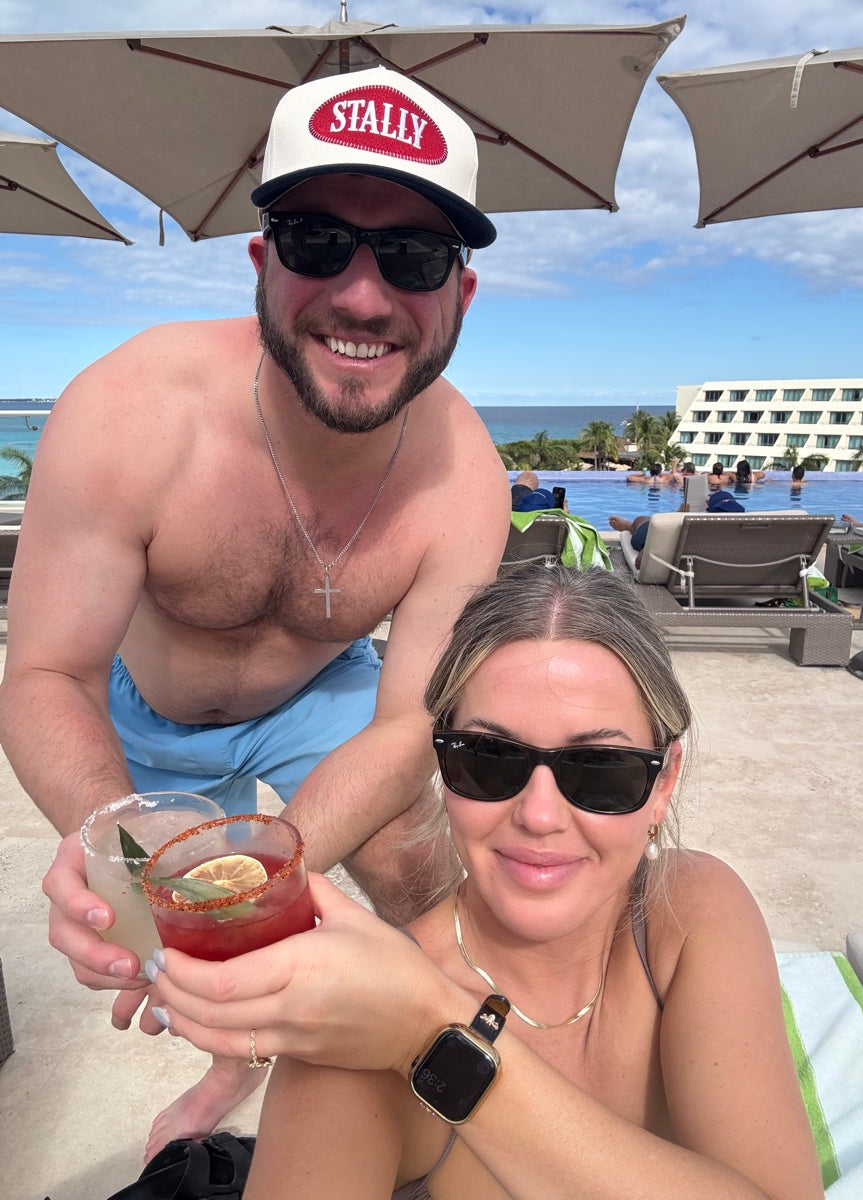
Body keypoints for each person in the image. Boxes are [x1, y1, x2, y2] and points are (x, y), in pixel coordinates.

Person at [0, 66, 511, 1158]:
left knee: (423, 864)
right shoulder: (128, 413)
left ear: (460, 296)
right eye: (318, 242)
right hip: (151, 698)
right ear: (262, 264)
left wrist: (273, 874)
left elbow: (410, 722)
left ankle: (427, 1067)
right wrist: (117, 830)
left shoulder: (466, 475)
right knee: (171, 948)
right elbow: (47, 674)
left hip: (325, 688)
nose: (364, 298)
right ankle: (235, 1059)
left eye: (414, 258)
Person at [147, 565, 823, 1200]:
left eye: (600, 770)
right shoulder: (353, 1028)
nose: (539, 815)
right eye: (490, 759)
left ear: (663, 781)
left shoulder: (690, 912)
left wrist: (432, 1035)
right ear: (442, 763)